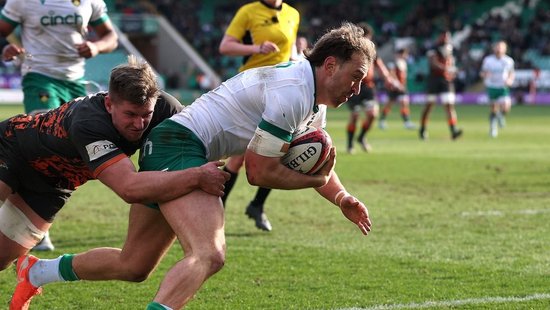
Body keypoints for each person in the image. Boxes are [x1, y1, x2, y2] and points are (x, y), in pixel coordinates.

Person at [14, 22, 374, 310]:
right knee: (208, 254)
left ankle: (37, 272)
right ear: (330, 65)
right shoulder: (293, 92)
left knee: (134, 265)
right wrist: (315, 182)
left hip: (176, 146)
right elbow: (259, 172)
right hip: (180, 147)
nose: (357, 88)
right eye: (356, 75)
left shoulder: (311, 100)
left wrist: (341, 196)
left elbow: (318, 164)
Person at [3, 55, 230, 309]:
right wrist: (197, 176)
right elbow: (129, 188)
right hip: (12, 148)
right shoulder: (89, 122)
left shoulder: (168, 110)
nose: (139, 123)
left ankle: (36, 272)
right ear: (109, 103)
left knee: (136, 267)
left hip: (53, 184)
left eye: (146, 114)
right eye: (130, 114)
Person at [0, 0, 119, 251]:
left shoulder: (90, 1)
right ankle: (30, 224)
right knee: (43, 145)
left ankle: (28, 219)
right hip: (39, 76)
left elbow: (111, 36)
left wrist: (96, 47)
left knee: (66, 158)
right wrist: (10, 48)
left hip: (75, 82)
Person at [218, 0, 300, 231]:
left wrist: (301, 59)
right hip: (252, 88)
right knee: (239, 156)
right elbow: (225, 46)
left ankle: (255, 204)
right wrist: (256, 48)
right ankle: (219, 209)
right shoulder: (248, 11)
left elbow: (290, 52)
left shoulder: (293, 14)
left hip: (282, 89)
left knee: (281, 150)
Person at [345, 22, 402, 154]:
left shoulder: (372, 51)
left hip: (368, 87)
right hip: (353, 86)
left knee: (372, 114)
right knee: (355, 115)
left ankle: (362, 137)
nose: (368, 40)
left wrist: (389, 79)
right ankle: (350, 144)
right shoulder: (351, 50)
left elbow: (380, 66)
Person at [418, 30, 463, 140]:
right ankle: (423, 129)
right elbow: (433, 64)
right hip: (434, 80)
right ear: (439, 37)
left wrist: (452, 71)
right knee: (429, 106)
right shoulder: (433, 49)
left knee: (449, 105)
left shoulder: (450, 49)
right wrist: (448, 68)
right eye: (444, 37)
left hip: (446, 80)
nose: (446, 39)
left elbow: (451, 61)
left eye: (447, 37)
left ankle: (453, 130)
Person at [480, 40, 515, 138]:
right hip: (491, 86)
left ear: (505, 49)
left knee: (506, 107)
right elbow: (482, 73)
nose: (499, 49)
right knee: (493, 108)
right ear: (494, 48)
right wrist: (485, 75)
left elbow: (511, 73)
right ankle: (493, 128)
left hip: (502, 86)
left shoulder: (508, 61)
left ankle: (501, 115)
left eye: (501, 47)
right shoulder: (488, 60)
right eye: (497, 47)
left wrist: (510, 80)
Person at [378, 47, 416, 130]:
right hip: (394, 87)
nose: (405, 56)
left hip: (402, 87)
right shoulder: (394, 63)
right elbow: (391, 74)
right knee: (389, 104)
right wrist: (397, 84)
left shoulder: (403, 63)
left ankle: (407, 122)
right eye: (404, 54)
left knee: (404, 103)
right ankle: (381, 121)